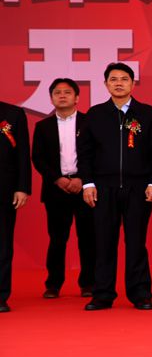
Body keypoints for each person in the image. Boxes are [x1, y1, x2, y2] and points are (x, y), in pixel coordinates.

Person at [78, 63, 152, 311]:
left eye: (124, 79)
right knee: (104, 242)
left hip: (139, 187)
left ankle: (140, 293)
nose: (118, 83)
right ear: (105, 84)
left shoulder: (147, 114)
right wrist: (88, 183)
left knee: (136, 242)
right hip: (103, 187)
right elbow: (84, 153)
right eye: (113, 79)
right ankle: (102, 294)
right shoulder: (95, 114)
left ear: (132, 83)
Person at [32, 78, 95, 299]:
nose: (62, 96)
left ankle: (88, 283)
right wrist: (57, 179)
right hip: (56, 190)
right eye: (57, 93)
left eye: (67, 92)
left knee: (88, 238)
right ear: (51, 98)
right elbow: (38, 158)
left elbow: (98, 155)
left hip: (85, 189)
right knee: (57, 239)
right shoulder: (43, 126)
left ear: (77, 98)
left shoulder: (89, 123)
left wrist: (82, 179)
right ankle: (53, 284)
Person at [0, 100, 31, 313]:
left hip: (4, 189)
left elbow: (22, 153)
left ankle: (1, 295)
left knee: (2, 243)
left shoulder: (13, 113)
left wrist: (22, 187)